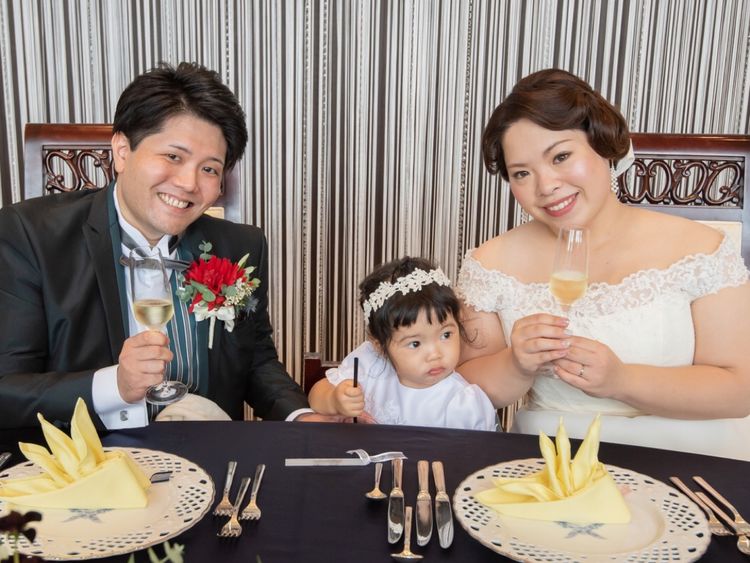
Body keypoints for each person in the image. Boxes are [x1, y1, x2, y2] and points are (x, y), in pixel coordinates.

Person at [0, 62, 315, 429]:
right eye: (173, 156)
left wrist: (301, 416)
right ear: (122, 150)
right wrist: (113, 385)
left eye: (209, 169)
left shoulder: (239, 246)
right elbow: (7, 389)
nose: (188, 183)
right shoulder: (28, 235)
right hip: (87, 455)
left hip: (204, 449)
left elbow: (257, 362)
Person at [456, 68, 750, 460]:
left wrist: (622, 380)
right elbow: (463, 390)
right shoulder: (489, 263)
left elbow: (739, 390)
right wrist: (515, 364)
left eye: (561, 156)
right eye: (522, 173)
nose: (546, 186)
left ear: (603, 144)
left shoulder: (701, 248)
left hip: (689, 457)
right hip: (550, 458)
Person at [309, 257, 497, 431]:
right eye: (415, 344)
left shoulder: (463, 404)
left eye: (445, 335)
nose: (435, 354)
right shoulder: (371, 364)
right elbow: (316, 394)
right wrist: (334, 400)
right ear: (379, 346)